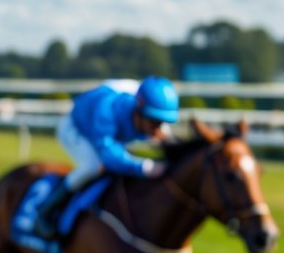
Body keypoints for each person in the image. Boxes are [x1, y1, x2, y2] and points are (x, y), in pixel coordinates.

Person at [32, 75, 179, 239]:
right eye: (154, 122)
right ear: (139, 111)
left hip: (110, 129)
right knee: (92, 167)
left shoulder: (146, 109)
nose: (158, 129)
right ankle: (44, 213)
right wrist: (144, 167)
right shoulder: (106, 111)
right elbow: (109, 157)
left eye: (161, 123)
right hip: (76, 128)